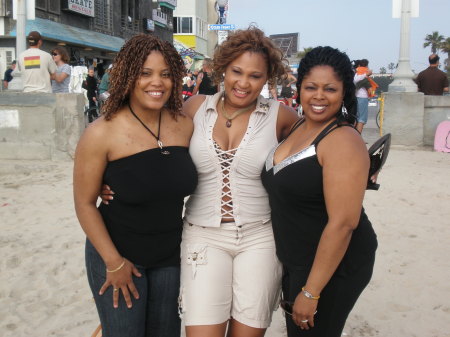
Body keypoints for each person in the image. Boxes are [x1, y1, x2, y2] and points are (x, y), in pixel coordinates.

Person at [73, 34, 197, 337]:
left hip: (169, 255)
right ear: (129, 75)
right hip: (117, 252)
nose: (157, 82)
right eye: (145, 73)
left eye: (166, 74)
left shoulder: (185, 124)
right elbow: (85, 204)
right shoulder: (101, 132)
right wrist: (114, 262)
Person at [179, 27, 298, 337]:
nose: (243, 83)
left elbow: (320, 146)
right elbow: (153, 144)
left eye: (255, 76)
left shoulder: (281, 117)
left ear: (268, 78)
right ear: (223, 67)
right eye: (237, 71)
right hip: (202, 236)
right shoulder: (195, 108)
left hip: (260, 238)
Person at [261, 46, 378, 337]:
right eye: (311, 87)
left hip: (333, 265)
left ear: (344, 92)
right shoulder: (299, 125)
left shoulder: (342, 140)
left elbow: (343, 224)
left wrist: (312, 292)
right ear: (299, 87)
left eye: (330, 89)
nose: (319, 96)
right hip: (299, 258)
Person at [353, 59, 376, 133]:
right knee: (361, 119)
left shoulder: (356, 74)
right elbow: (356, 80)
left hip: (356, 97)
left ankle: (353, 136)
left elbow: (355, 80)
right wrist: (366, 74)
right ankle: (357, 138)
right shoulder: (363, 75)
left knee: (356, 117)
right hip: (362, 98)